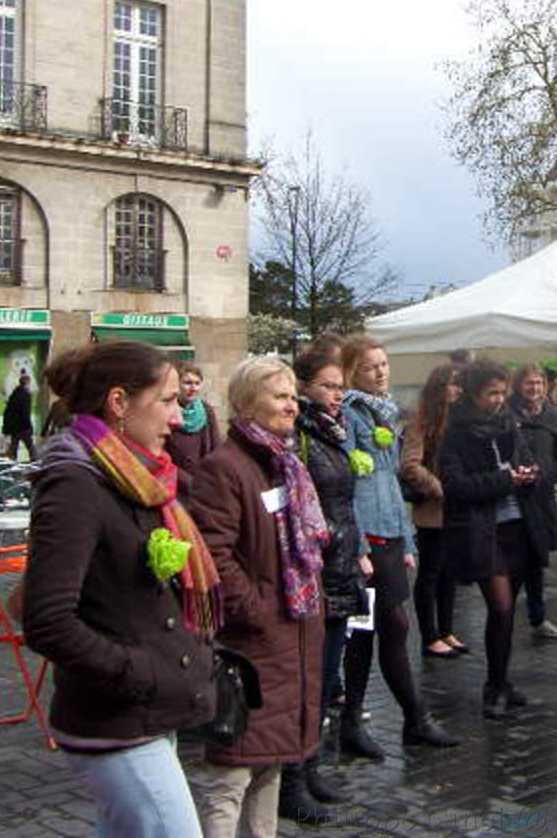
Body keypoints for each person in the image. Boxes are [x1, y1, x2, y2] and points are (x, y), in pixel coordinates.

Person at [24, 342, 218, 836]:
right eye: (168, 400)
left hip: (148, 713)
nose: (178, 418)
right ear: (119, 402)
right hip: (116, 719)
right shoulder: (76, 482)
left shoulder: (141, 478)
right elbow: (47, 619)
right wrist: (139, 671)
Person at [184, 356, 325, 836]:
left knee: (271, 764)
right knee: (230, 775)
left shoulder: (283, 461)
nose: (291, 406)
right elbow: (212, 554)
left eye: (292, 396)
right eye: (279, 396)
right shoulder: (225, 467)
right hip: (254, 643)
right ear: (245, 403)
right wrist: (258, 610)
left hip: (292, 636)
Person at [339, 335, 458, 758]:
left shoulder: (384, 413)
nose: (381, 372)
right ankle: (407, 718)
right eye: (371, 366)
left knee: (380, 628)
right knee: (381, 626)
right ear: (352, 371)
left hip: (389, 530)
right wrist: (357, 548)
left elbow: (390, 479)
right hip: (367, 535)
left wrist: (406, 538)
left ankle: (385, 719)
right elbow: (347, 485)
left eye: (384, 364)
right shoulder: (350, 415)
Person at [278, 349, 368, 824]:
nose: (338, 394)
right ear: (304, 386)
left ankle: (310, 764)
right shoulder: (301, 438)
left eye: (340, 386)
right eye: (329, 385)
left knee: (325, 676)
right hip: (316, 567)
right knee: (308, 678)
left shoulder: (334, 430)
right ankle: (291, 777)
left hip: (340, 564)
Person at [439, 360, 541, 718]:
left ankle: (501, 679)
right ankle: (492, 688)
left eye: (502, 393)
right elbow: (456, 486)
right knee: (499, 607)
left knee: (508, 611)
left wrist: (529, 474)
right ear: (473, 394)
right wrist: (506, 481)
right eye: (491, 394)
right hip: (482, 529)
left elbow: (526, 459)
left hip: (516, 525)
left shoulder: (508, 421)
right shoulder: (456, 429)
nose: (499, 400)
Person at [399, 364, 469, 658]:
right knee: (430, 572)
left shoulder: (460, 419)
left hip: (456, 509)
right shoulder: (422, 420)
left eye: (460, 384)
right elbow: (409, 464)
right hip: (433, 509)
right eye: (452, 384)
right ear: (439, 387)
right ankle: (430, 635)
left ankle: (446, 629)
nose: (457, 390)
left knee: (449, 573)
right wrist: (438, 487)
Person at [509, 363, 557, 640]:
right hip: (512, 498)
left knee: (535, 561)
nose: (535, 388)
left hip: (541, 497)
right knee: (511, 562)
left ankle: (538, 616)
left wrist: (547, 474)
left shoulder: (555, 416)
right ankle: (503, 615)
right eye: (529, 383)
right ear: (518, 385)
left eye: (539, 383)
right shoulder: (506, 414)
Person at [163, 363, 221, 507]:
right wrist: (188, 482)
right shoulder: (167, 411)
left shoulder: (207, 411)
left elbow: (216, 448)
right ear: (178, 385)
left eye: (197, 383)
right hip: (176, 486)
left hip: (205, 485)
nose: (193, 388)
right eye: (188, 383)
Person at [1, 372, 37, 461]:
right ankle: (36, 463)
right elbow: (25, 412)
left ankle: (12, 464)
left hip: (14, 427)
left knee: (13, 448)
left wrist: (7, 427)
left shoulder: (14, 394)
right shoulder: (26, 395)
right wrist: (29, 425)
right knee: (30, 447)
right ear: (27, 383)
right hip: (23, 426)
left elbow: (7, 411)